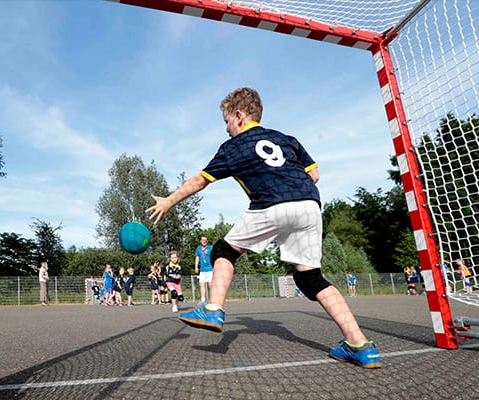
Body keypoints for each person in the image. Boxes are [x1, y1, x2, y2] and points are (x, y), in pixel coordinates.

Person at [146, 87, 382, 368]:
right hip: (309, 204)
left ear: (238, 116)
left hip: (272, 203)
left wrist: (169, 201)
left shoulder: (233, 147)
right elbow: (315, 175)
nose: (226, 130)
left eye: (226, 123)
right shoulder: (287, 139)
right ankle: (360, 345)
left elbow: (201, 180)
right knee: (311, 279)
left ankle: (212, 308)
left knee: (223, 250)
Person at [194, 236, 213, 304]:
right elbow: (197, 258)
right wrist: (196, 267)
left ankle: (212, 298)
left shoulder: (210, 248)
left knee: (210, 285)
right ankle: (203, 299)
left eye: (205, 240)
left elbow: (214, 256)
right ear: (200, 241)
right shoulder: (198, 249)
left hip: (210, 269)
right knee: (201, 284)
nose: (204, 241)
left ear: (207, 241)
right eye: (202, 240)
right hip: (202, 270)